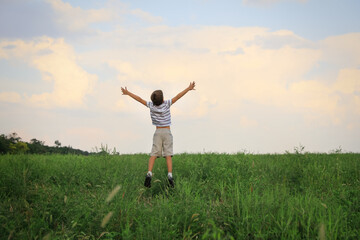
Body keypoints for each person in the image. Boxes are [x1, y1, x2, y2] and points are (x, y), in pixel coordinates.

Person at [121, 82, 196, 188]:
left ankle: (149, 173)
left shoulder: (151, 106)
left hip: (157, 132)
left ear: (153, 100)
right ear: (163, 99)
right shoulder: (167, 104)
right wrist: (188, 88)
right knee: (168, 155)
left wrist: (128, 93)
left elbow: (139, 99)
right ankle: (170, 176)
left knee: (153, 154)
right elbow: (178, 96)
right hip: (167, 132)